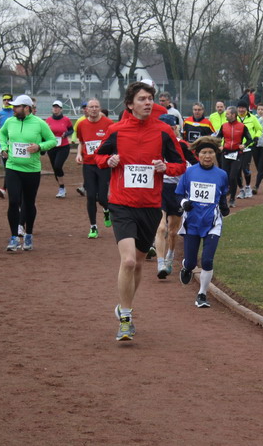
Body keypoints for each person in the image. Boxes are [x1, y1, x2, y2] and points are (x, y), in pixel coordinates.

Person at [95, 81, 186, 342]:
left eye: (150, 99)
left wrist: (165, 167)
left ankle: (124, 307)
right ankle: (125, 319)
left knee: (137, 264)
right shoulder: (116, 130)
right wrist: (109, 160)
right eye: (142, 99)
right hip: (122, 204)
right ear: (130, 104)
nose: (148, 103)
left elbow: (180, 164)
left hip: (150, 206)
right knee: (128, 261)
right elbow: (98, 157)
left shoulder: (163, 131)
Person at [0, 94, 57, 252]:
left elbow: (52, 141)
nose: (13, 109)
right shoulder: (10, 122)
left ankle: (28, 234)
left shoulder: (39, 123)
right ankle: (14, 238)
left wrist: (39, 147)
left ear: (26, 108)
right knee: (13, 201)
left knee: (29, 203)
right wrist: (3, 147)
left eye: (16, 106)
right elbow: (2, 134)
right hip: (12, 167)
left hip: (31, 170)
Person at [177, 136, 231, 306]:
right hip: (192, 221)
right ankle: (186, 266)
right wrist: (184, 203)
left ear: (215, 154)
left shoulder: (222, 174)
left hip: (212, 222)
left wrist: (224, 207)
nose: (207, 156)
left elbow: (222, 194)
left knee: (207, 260)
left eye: (211, 152)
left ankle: (202, 294)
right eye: (204, 152)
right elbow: (179, 194)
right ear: (198, 154)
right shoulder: (189, 172)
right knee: (191, 262)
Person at [155, 115, 197, 279]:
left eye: (171, 128)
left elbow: (196, 164)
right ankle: (160, 264)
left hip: (178, 190)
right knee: (161, 228)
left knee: (173, 232)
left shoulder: (182, 145)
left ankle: (170, 257)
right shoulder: (153, 144)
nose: (168, 131)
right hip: (160, 188)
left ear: (175, 128)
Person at [75, 98, 114, 238]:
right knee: (90, 196)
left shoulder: (109, 124)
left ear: (100, 108)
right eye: (91, 107)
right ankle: (93, 227)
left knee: (102, 198)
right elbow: (81, 142)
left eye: (96, 107)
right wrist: (79, 154)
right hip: (88, 164)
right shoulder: (81, 125)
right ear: (86, 109)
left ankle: (106, 210)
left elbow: (114, 142)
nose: (94, 109)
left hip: (103, 165)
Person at [214, 106, 252, 207]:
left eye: (227, 114)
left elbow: (250, 139)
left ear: (233, 115)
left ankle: (232, 199)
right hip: (225, 153)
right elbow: (218, 138)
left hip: (237, 154)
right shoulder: (224, 126)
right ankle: (224, 196)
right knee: (224, 176)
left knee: (232, 176)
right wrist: (219, 145)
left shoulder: (242, 126)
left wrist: (244, 145)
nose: (226, 115)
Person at [44, 100, 74, 198]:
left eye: (57, 107)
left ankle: (61, 188)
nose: (55, 109)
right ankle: (62, 188)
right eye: (54, 107)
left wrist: (66, 134)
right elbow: (44, 133)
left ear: (61, 109)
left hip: (63, 147)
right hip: (52, 147)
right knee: (55, 168)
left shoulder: (66, 120)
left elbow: (71, 130)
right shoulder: (48, 120)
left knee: (57, 166)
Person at [236, 99, 262, 199]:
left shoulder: (252, 118)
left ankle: (247, 187)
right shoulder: (234, 118)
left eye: (243, 108)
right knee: (237, 170)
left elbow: (259, 129)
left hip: (248, 146)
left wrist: (256, 137)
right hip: (236, 147)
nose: (241, 110)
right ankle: (241, 189)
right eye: (239, 108)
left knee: (245, 168)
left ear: (246, 108)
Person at [0, 93, 14, 198]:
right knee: (7, 167)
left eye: (8, 99)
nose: (6, 101)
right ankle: (5, 188)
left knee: (13, 166)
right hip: (3, 143)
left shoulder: (15, 112)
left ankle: (6, 188)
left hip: (15, 142)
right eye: (4, 100)